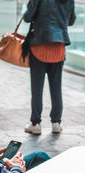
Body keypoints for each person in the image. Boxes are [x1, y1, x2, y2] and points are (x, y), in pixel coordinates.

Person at [23, 0, 76, 135]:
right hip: (58, 47)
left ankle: (36, 123)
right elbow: (71, 21)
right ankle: (56, 123)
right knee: (56, 87)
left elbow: (27, 17)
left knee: (37, 88)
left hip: (39, 47)